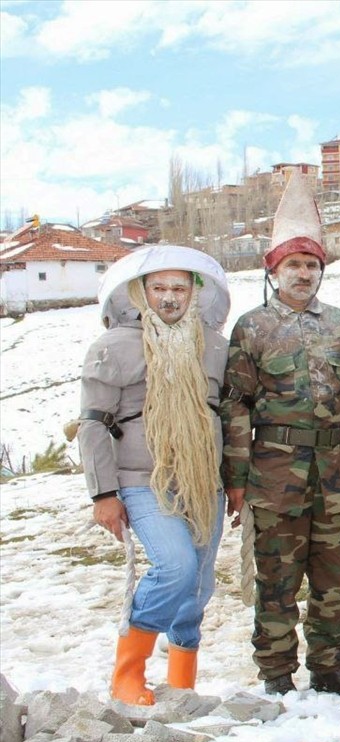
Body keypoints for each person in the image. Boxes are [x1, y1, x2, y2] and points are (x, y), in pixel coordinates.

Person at [222, 177, 340, 696]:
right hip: (275, 476)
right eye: (294, 265)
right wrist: (237, 478)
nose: (304, 274)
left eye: (312, 266)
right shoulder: (252, 327)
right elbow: (236, 403)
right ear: (274, 270)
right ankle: (276, 673)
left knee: (333, 579)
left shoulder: (338, 323)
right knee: (277, 581)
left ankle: (329, 665)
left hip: (336, 475)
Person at [77, 245, 230, 705]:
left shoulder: (215, 347)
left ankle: (182, 681)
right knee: (176, 567)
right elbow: (92, 424)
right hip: (143, 479)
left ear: (194, 293)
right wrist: (103, 494)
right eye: (158, 288)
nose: (169, 298)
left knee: (198, 585)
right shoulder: (114, 347)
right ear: (140, 293)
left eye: (179, 288)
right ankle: (128, 672)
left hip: (205, 482)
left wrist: (236, 481)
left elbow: (232, 415)